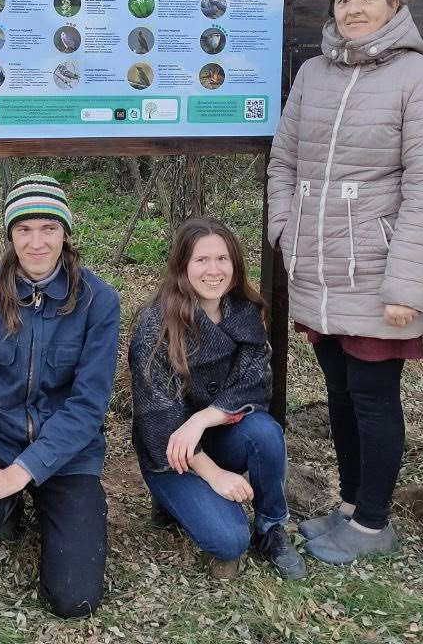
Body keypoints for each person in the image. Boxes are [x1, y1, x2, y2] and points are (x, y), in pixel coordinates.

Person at [266, 0, 423, 565]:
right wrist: (284, 231)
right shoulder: (312, 75)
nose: (353, 8)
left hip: (379, 272)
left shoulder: (421, 79)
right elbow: (283, 162)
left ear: (393, 2)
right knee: (340, 393)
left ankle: (374, 524)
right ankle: (349, 505)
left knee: (375, 398)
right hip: (318, 265)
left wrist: (406, 283)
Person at [0, 175, 120, 618]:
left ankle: (41, 501)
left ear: (65, 233)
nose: (37, 243)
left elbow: (88, 406)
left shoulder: (99, 300)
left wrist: (21, 473)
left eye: (49, 228)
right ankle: (8, 509)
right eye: (24, 229)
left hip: (68, 454)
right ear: (10, 235)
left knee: (76, 600)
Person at [130, 216, 306, 581]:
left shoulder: (246, 311)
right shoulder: (155, 325)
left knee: (265, 432)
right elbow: (157, 421)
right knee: (228, 541)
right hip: (172, 453)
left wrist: (202, 418)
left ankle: (272, 527)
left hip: (220, 434)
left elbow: (256, 384)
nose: (214, 270)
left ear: (235, 264)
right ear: (182, 267)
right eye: (201, 260)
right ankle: (170, 501)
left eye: (222, 259)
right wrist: (213, 475)